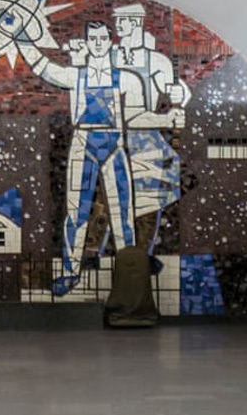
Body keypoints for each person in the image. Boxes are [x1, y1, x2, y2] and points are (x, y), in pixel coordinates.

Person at [16, 20, 183, 295]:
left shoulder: (127, 79)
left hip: (114, 144)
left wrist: (165, 119)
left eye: (102, 38)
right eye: (92, 38)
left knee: (123, 214)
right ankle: (70, 273)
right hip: (83, 144)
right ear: (87, 42)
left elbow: (135, 116)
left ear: (109, 42)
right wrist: (21, 37)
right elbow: (42, 67)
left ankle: (130, 275)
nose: (97, 43)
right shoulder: (75, 77)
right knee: (76, 213)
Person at [112, 3, 190, 254]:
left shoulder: (156, 61)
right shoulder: (110, 56)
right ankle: (116, 254)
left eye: (122, 21)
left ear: (136, 22)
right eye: (116, 20)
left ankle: (140, 255)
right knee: (112, 199)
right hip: (112, 135)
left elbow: (178, 92)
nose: (117, 26)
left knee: (148, 199)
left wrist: (180, 95)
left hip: (144, 138)